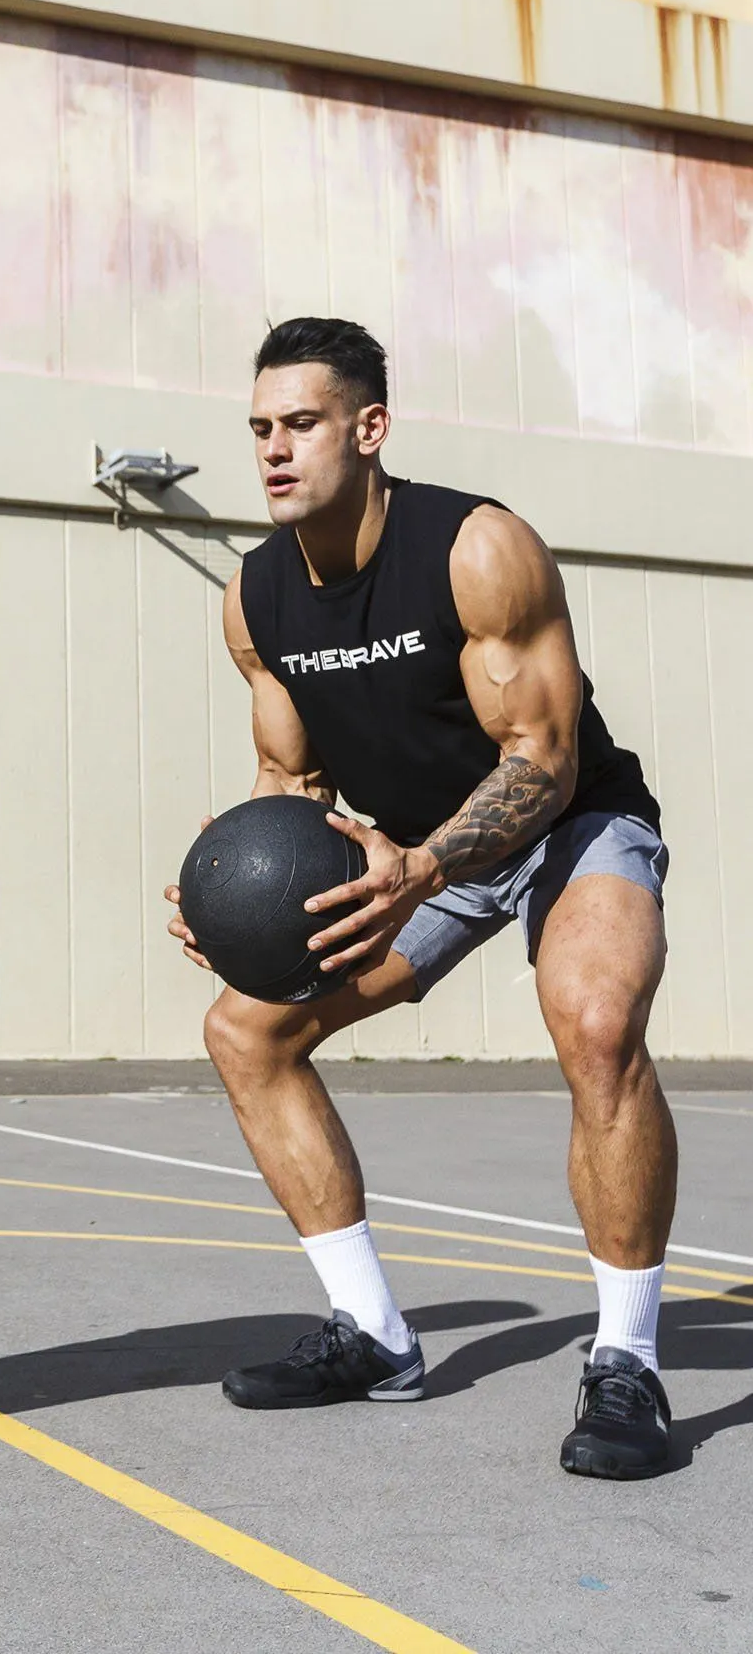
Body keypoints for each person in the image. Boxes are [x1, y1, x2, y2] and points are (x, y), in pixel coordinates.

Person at [164, 318, 677, 1481]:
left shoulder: (478, 549)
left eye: (300, 424)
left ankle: (628, 1360)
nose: (275, 451)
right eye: (259, 430)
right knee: (248, 1028)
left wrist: (425, 868)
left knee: (595, 1019)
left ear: (370, 426)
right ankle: (377, 1337)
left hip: (567, 820)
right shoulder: (257, 598)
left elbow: (540, 760)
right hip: (404, 852)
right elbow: (289, 782)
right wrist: (236, 887)